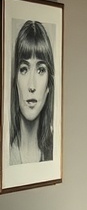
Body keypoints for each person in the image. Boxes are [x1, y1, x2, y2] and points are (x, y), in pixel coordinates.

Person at [9, 19, 55, 164]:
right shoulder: (7, 154)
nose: (32, 85)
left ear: (48, 85)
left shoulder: (54, 153)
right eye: (24, 69)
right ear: (15, 81)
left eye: (40, 70)